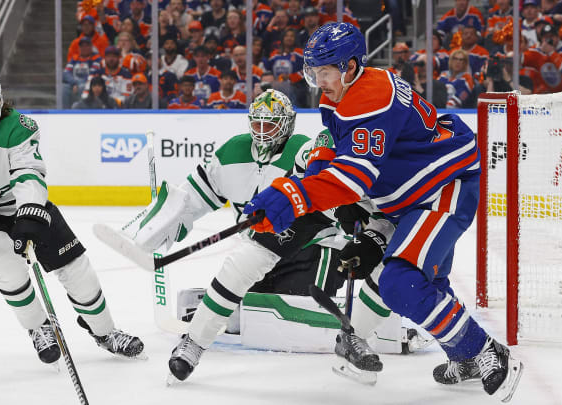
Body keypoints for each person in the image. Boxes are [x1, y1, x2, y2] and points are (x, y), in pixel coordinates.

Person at [243, 22, 524, 402]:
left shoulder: (372, 96)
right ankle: (465, 357)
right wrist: (314, 192)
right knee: (428, 283)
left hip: (444, 186)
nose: (317, 80)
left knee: (399, 282)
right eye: (313, 72)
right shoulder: (342, 92)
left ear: (350, 66)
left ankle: (486, 350)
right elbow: (333, 151)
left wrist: (290, 196)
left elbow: (354, 177)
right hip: (410, 195)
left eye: (323, 71)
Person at [124, 90, 421, 383]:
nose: (264, 132)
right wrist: (169, 220)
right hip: (286, 227)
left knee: (307, 295)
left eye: (271, 124)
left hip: (318, 246)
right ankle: (197, 340)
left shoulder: (322, 149)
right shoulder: (244, 151)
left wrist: (371, 228)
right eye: (258, 124)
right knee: (242, 267)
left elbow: (367, 200)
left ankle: (367, 332)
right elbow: (195, 196)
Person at [0, 67, 143, 366]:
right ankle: (39, 326)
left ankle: (105, 332)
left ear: (0, 101)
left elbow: (28, 174)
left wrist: (30, 214)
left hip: (20, 205)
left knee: (76, 267)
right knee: (1, 259)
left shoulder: (18, 127)